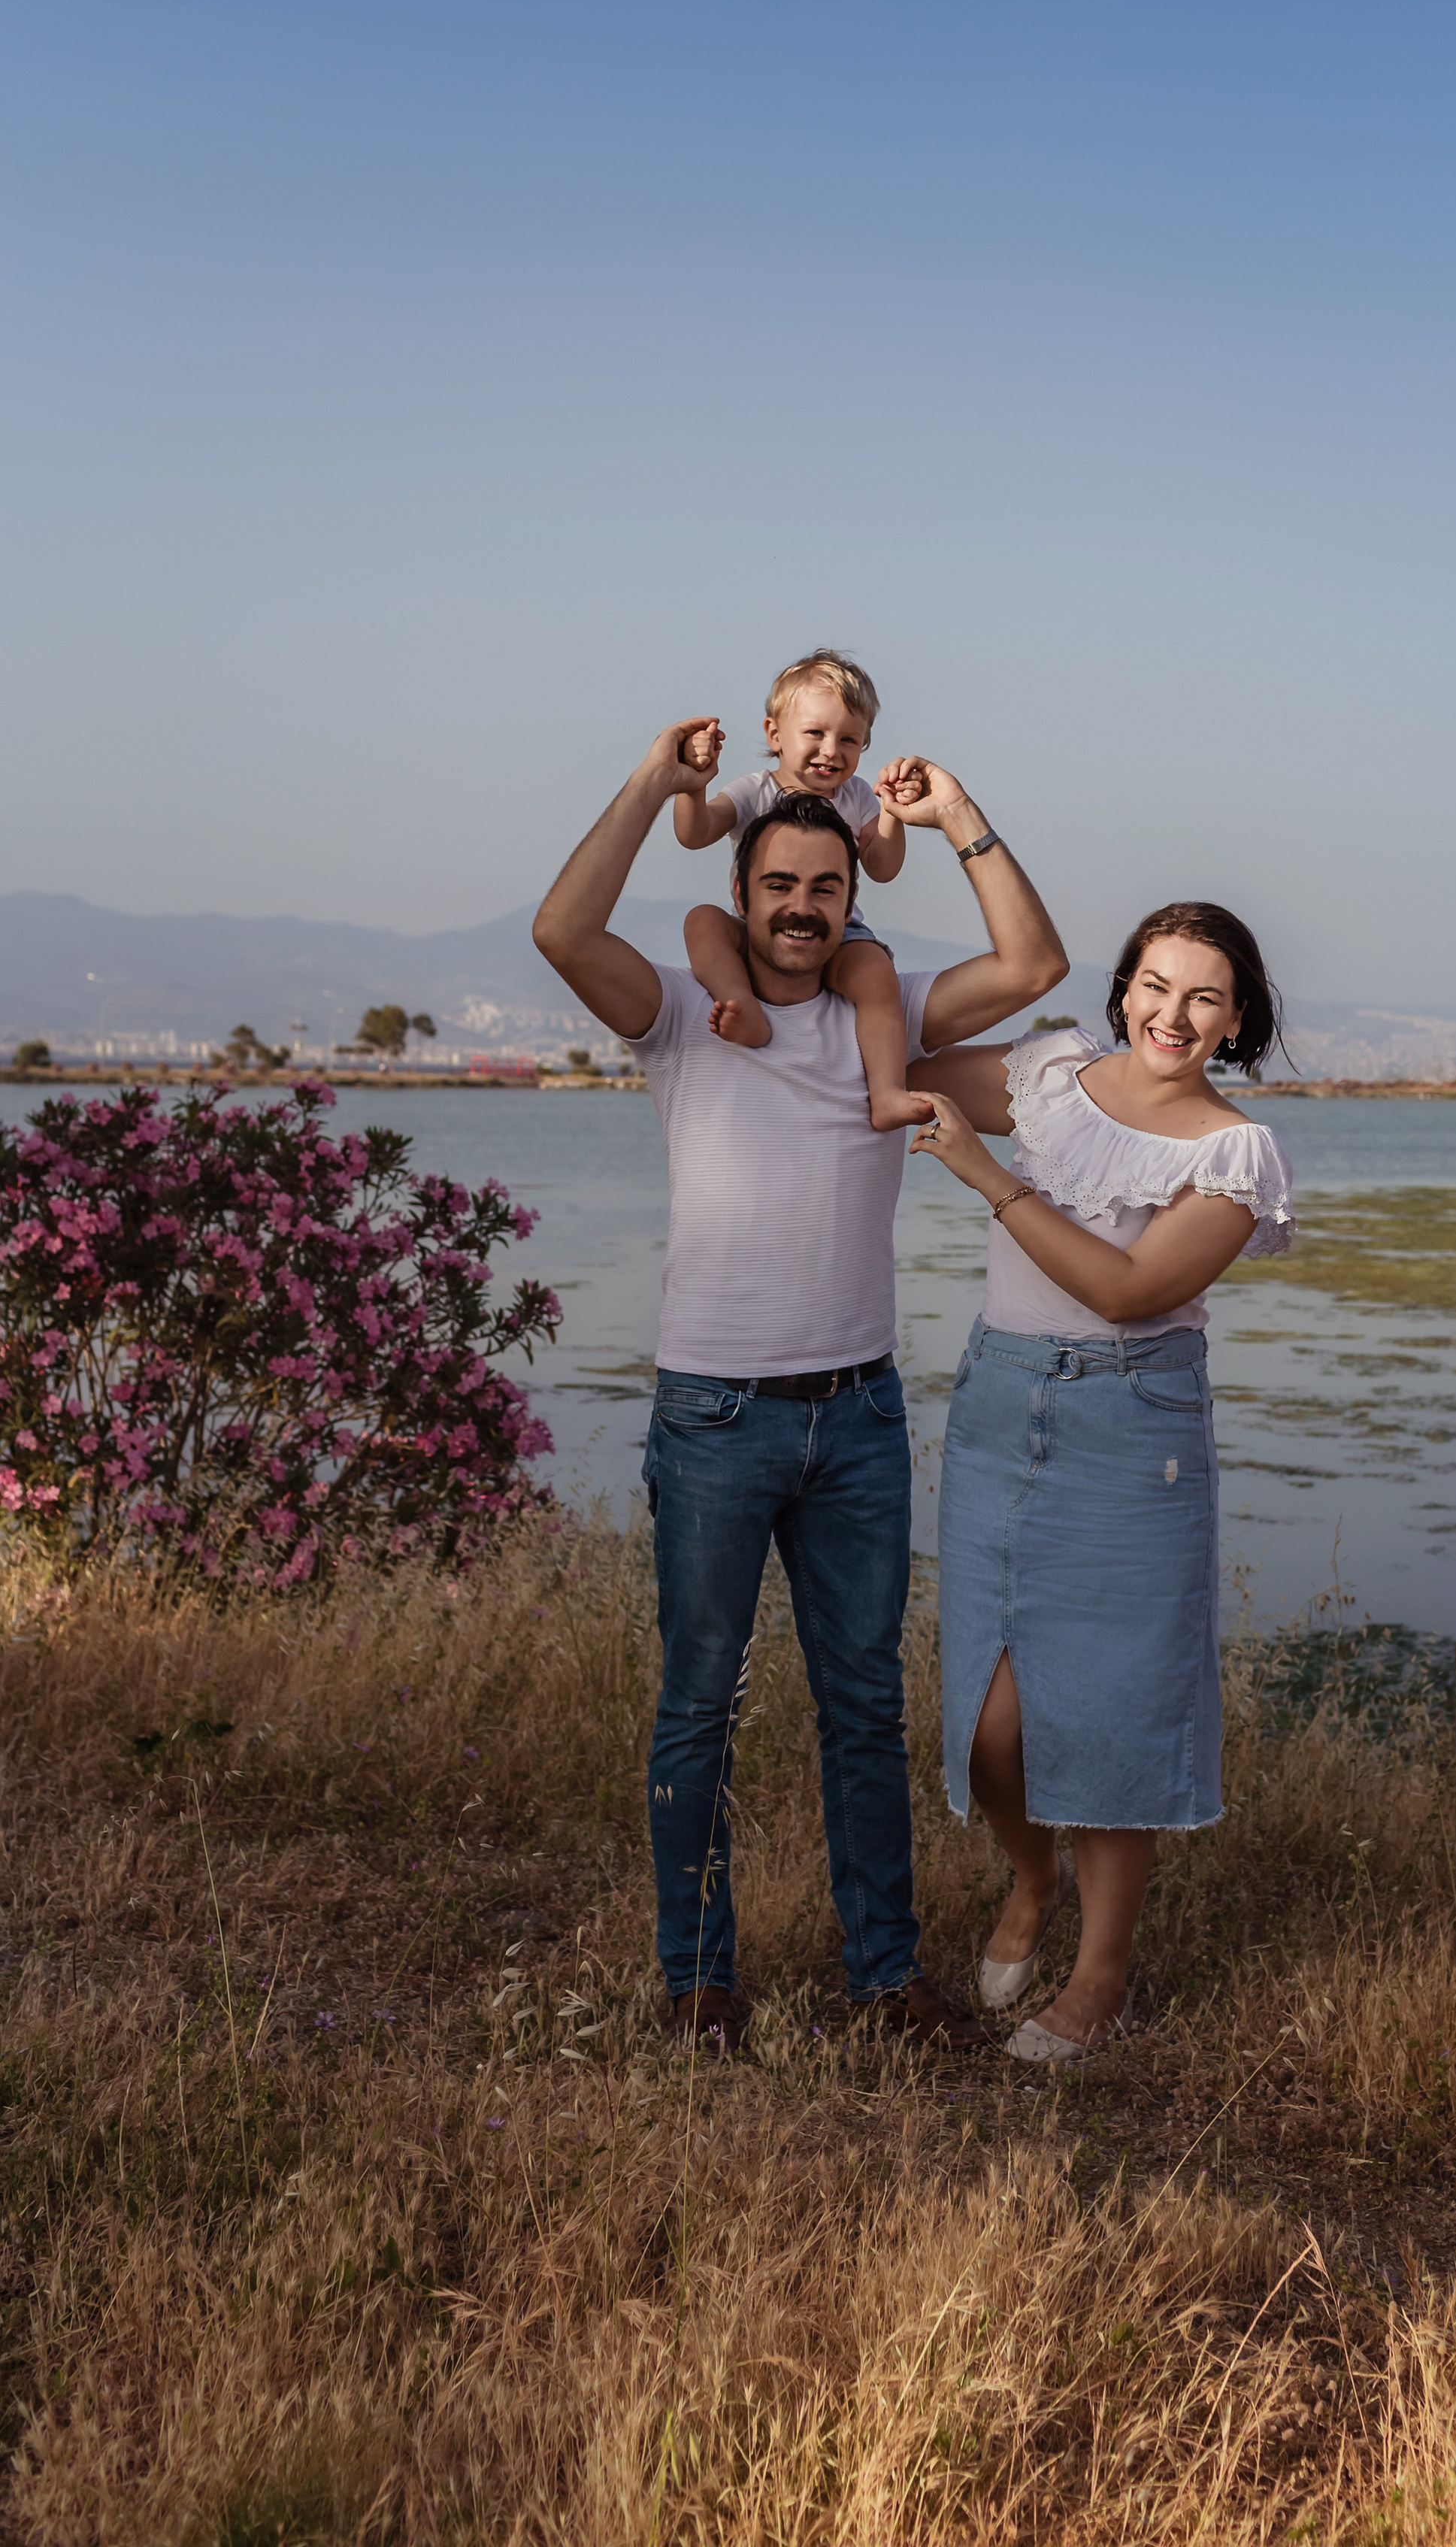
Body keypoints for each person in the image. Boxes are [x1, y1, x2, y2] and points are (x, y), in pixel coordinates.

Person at [532, 719, 1068, 2056]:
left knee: (865, 1708)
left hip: (860, 1416)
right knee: (697, 1705)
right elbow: (561, 930)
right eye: (778, 884)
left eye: (825, 888)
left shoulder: (886, 1018)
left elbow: (1035, 967)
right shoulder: (685, 1016)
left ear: (848, 903)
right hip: (714, 1416)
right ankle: (697, 1981)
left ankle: (884, 1981)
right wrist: (655, 781)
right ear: (741, 893)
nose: (801, 907)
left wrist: (960, 816)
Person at [905, 902, 1294, 2064]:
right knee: (991, 1725)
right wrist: (941, 847)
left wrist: (987, 1175)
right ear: (1123, 989)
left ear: (1236, 1021)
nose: (1173, 1014)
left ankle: (1101, 1975)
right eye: (1156, 985)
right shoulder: (1049, 1075)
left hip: (1133, 1429)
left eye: (1205, 997)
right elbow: (899, 1069)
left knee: (1114, 1712)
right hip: (999, 1403)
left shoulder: (1234, 1151)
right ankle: (1035, 1877)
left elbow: (1127, 1292)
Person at [674, 648, 928, 1131]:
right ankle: (742, 1003)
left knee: (877, 975)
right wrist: (692, 787)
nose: (831, 750)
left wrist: (893, 815)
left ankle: (887, 1092)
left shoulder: (857, 796)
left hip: (838, 934)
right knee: (702, 921)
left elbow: (882, 868)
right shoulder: (754, 790)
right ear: (775, 734)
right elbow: (694, 833)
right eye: (815, 733)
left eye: (849, 739)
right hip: (760, 929)